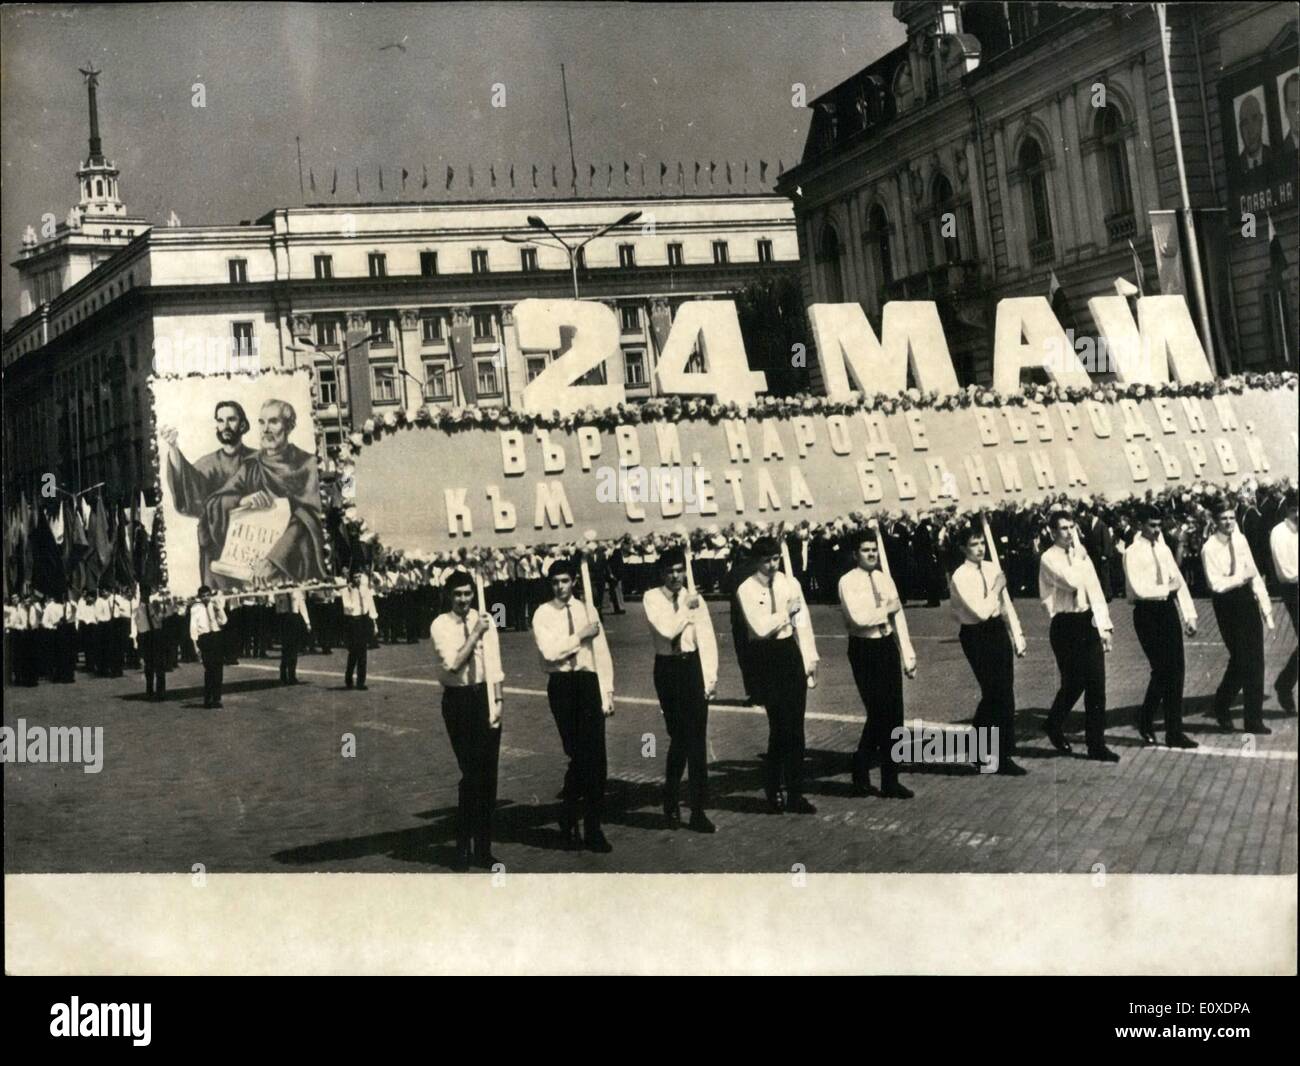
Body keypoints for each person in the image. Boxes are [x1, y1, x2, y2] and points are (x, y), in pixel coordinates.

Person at [532, 559, 615, 853]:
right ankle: (568, 811)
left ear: (573, 582)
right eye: (555, 582)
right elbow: (550, 652)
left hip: (588, 683)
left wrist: (607, 691)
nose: (560, 587)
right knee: (578, 755)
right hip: (562, 687)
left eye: (565, 581)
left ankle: (593, 828)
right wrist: (580, 636)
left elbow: (601, 653)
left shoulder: (587, 609)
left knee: (597, 760)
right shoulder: (543, 614)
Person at [203, 399, 327, 585]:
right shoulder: (252, 464)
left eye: (273, 422)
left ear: (289, 426)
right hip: (253, 570)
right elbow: (216, 502)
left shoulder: (307, 464)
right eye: (262, 422)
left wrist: (274, 559)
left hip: (291, 565)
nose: (266, 429)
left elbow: (308, 518)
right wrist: (243, 500)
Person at [738, 536, 819, 814]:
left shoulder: (789, 583)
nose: (772, 566)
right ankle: (773, 788)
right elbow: (760, 628)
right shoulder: (746, 589)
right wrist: (786, 612)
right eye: (766, 561)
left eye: (776, 559)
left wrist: (809, 658)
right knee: (779, 728)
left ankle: (796, 793)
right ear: (756, 561)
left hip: (788, 652)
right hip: (765, 657)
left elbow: (802, 623)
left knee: (796, 728)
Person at [431, 570, 504, 870]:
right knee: (471, 775)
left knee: (489, 777)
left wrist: (499, 701)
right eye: (458, 594)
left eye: (468, 593)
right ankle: (463, 845)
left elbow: (495, 664)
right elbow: (452, 663)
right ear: (449, 595)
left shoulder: (486, 619)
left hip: (485, 697)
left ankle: (483, 848)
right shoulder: (441, 624)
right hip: (459, 701)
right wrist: (476, 634)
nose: (463, 600)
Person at [642, 548, 718, 833]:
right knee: (680, 737)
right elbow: (666, 631)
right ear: (662, 574)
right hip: (667, 669)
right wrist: (688, 609)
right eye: (670, 571)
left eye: (680, 570)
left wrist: (709, 677)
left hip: (692, 668)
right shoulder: (652, 598)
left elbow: (707, 639)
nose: (676, 576)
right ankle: (671, 796)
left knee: (697, 740)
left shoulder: (695, 599)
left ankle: (698, 810)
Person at [1039, 509, 1119, 761]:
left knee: (1097, 684)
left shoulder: (1081, 555)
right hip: (1065, 625)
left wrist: (1104, 626)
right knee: (1074, 684)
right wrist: (1078, 554)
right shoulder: (1049, 558)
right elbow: (1072, 581)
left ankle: (1096, 744)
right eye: (1063, 528)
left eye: (1072, 527)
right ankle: (1053, 723)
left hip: (1087, 622)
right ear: (1052, 532)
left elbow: (1095, 590)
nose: (1069, 532)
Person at [839, 533, 915, 798]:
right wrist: (887, 609)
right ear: (855, 554)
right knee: (878, 711)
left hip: (886, 646)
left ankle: (890, 779)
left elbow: (899, 618)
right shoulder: (847, 582)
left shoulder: (885, 578)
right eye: (865, 550)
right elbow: (859, 618)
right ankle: (861, 766)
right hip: (864, 649)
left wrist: (907, 651)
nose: (871, 554)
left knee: (894, 714)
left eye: (874, 550)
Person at [949, 524, 1027, 775]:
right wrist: (995, 587)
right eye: (974, 544)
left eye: (982, 543)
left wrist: (1017, 634)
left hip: (997, 631)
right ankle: (998, 755)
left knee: (1005, 691)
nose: (980, 548)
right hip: (976, 635)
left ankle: (991, 750)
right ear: (963, 548)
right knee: (995, 692)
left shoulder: (993, 568)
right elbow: (981, 611)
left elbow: (1005, 606)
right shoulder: (960, 576)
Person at [1123, 505, 1199, 749]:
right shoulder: (1132, 552)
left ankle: (1173, 732)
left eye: (1159, 526)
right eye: (1152, 526)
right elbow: (1139, 589)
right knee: (1161, 669)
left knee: (1176, 671)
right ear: (1140, 525)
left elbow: (1179, 580)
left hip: (1166, 612)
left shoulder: (1163, 548)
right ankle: (1146, 719)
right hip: (1146, 614)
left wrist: (1189, 614)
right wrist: (1169, 588)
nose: (1157, 530)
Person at [160, 401, 256, 589]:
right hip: (217, 551)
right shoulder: (208, 464)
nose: (225, 426)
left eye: (231, 420)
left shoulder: (259, 460)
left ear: (243, 425)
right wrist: (173, 448)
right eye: (220, 421)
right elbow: (188, 486)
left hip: (253, 546)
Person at [1203, 496, 1274, 734]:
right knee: (1242, 659)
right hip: (1226, 605)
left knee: (1255, 659)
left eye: (1232, 518)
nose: (1229, 522)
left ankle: (1253, 720)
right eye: (1223, 518)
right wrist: (1239, 578)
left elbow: (1253, 573)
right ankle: (1222, 705)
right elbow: (1215, 584)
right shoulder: (1209, 548)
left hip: (1246, 601)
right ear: (1214, 521)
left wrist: (1265, 607)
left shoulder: (1241, 540)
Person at [1270, 490, 1298, 713]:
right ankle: (1285, 684)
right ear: (1289, 510)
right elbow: (1287, 572)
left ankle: (1284, 683)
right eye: (1295, 510)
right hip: (1293, 591)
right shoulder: (1278, 533)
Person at [190, 586, 228, 709]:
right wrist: (195, 645)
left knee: (218, 669)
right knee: (209, 669)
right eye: (203, 596)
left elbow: (224, 621)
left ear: (210, 595)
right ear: (200, 597)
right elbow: (193, 627)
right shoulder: (196, 608)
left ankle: (217, 699)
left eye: (208, 595)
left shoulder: (215, 605)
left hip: (216, 637)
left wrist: (219, 610)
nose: (206, 598)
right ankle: (208, 698)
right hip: (205, 639)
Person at [341, 571, 378, 690]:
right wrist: (351, 594)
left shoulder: (365, 589)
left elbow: (371, 605)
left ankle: (361, 682)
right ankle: (348, 679)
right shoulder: (346, 590)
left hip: (364, 621)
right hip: (353, 621)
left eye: (359, 576)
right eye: (355, 577)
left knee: (363, 653)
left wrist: (374, 622)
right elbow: (347, 608)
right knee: (353, 652)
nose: (357, 579)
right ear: (351, 578)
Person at [275, 585, 311, 685]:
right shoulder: (280, 591)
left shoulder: (297, 591)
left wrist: (307, 622)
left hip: (295, 618)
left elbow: (302, 606)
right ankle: (283, 674)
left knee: (294, 648)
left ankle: (292, 675)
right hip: (284, 618)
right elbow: (277, 607)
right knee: (286, 648)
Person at [135, 594, 169, 701]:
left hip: (158, 637)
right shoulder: (140, 609)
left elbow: (160, 621)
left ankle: (161, 692)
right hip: (147, 637)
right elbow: (138, 624)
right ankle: (149, 691)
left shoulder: (157, 606)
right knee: (149, 667)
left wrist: (156, 612)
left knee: (160, 668)